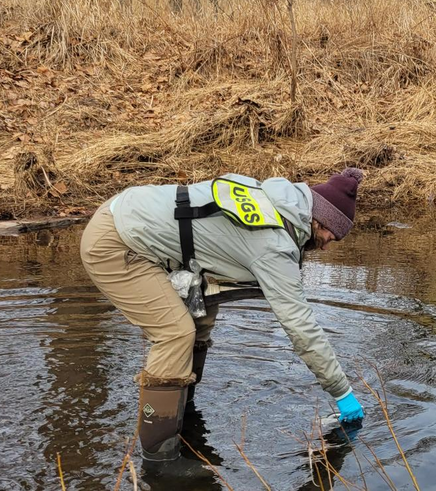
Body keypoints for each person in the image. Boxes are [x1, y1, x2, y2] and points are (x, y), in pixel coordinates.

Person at [79, 168, 367, 469]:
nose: (325, 244)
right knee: (175, 333)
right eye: (329, 235)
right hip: (116, 243)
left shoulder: (275, 203)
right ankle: (160, 461)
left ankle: (182, 415)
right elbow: (301, 328)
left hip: (127, 214)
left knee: (201, 316)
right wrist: (342, 391)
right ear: (318, 218)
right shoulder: (274, 243)